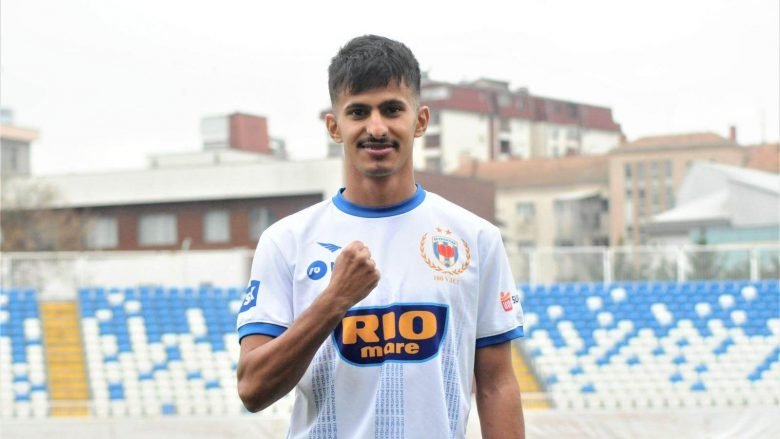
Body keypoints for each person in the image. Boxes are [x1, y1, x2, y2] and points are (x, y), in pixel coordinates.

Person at [236, 34, 525, 438]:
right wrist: (334, 301)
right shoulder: (285, 241)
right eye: (358, 111)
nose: (376, 128)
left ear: (420, 121)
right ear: (334, 127)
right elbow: (252, 389)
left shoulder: (475, 238)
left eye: (392, 109)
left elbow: (497, 385)